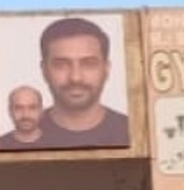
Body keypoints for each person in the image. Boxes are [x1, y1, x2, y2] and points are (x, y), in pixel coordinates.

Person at [34, 17, 130, 149]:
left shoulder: (135, 134)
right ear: (44, 70)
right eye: (61, 65)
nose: (75, 78)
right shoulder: (14, 143)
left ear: (106, 69)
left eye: (88, 64)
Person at [0, 85, 45, 150]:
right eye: (19, 108)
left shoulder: (55, 143)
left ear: (41, 110)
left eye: (32, 108)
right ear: (10, 111)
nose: (25, 115)